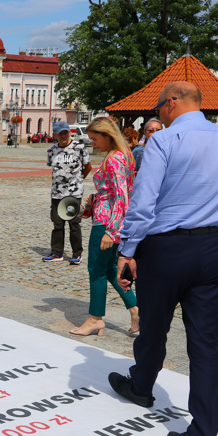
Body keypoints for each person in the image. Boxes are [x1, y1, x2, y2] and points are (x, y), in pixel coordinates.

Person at [110, 81, 218, 436]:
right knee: (205, 343)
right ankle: (202, 434)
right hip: (217, 244)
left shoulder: (165, 141)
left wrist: (128, 249)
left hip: (169, 246)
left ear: (171, 103)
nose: (160, 113)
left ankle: (141, 386)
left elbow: (144, 200)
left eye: (160, 106)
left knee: (154, 323)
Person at [70, 116, 139, 337]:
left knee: (96, 271)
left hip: (107, 223)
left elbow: (122, 197)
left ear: (107, 135)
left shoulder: (116, 158)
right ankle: (136, 309)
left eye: (94, 138)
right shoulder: (123, 155)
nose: (92, 143)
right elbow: (114, 192)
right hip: (106, 218)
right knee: (109, 270)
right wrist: (94, 201)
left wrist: (112, 230)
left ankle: (95, 319)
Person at [44, 121, 92, 264]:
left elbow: (88, 166)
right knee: (57, 223)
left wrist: (79, 180)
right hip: (57, 193)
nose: (64, 135)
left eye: (66, 132)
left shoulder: (79, 148)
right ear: (55, 135)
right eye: (60, 133)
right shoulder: (51, 150)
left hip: (73, 193)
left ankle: (77, 253)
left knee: (74, 223)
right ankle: (56, 252)